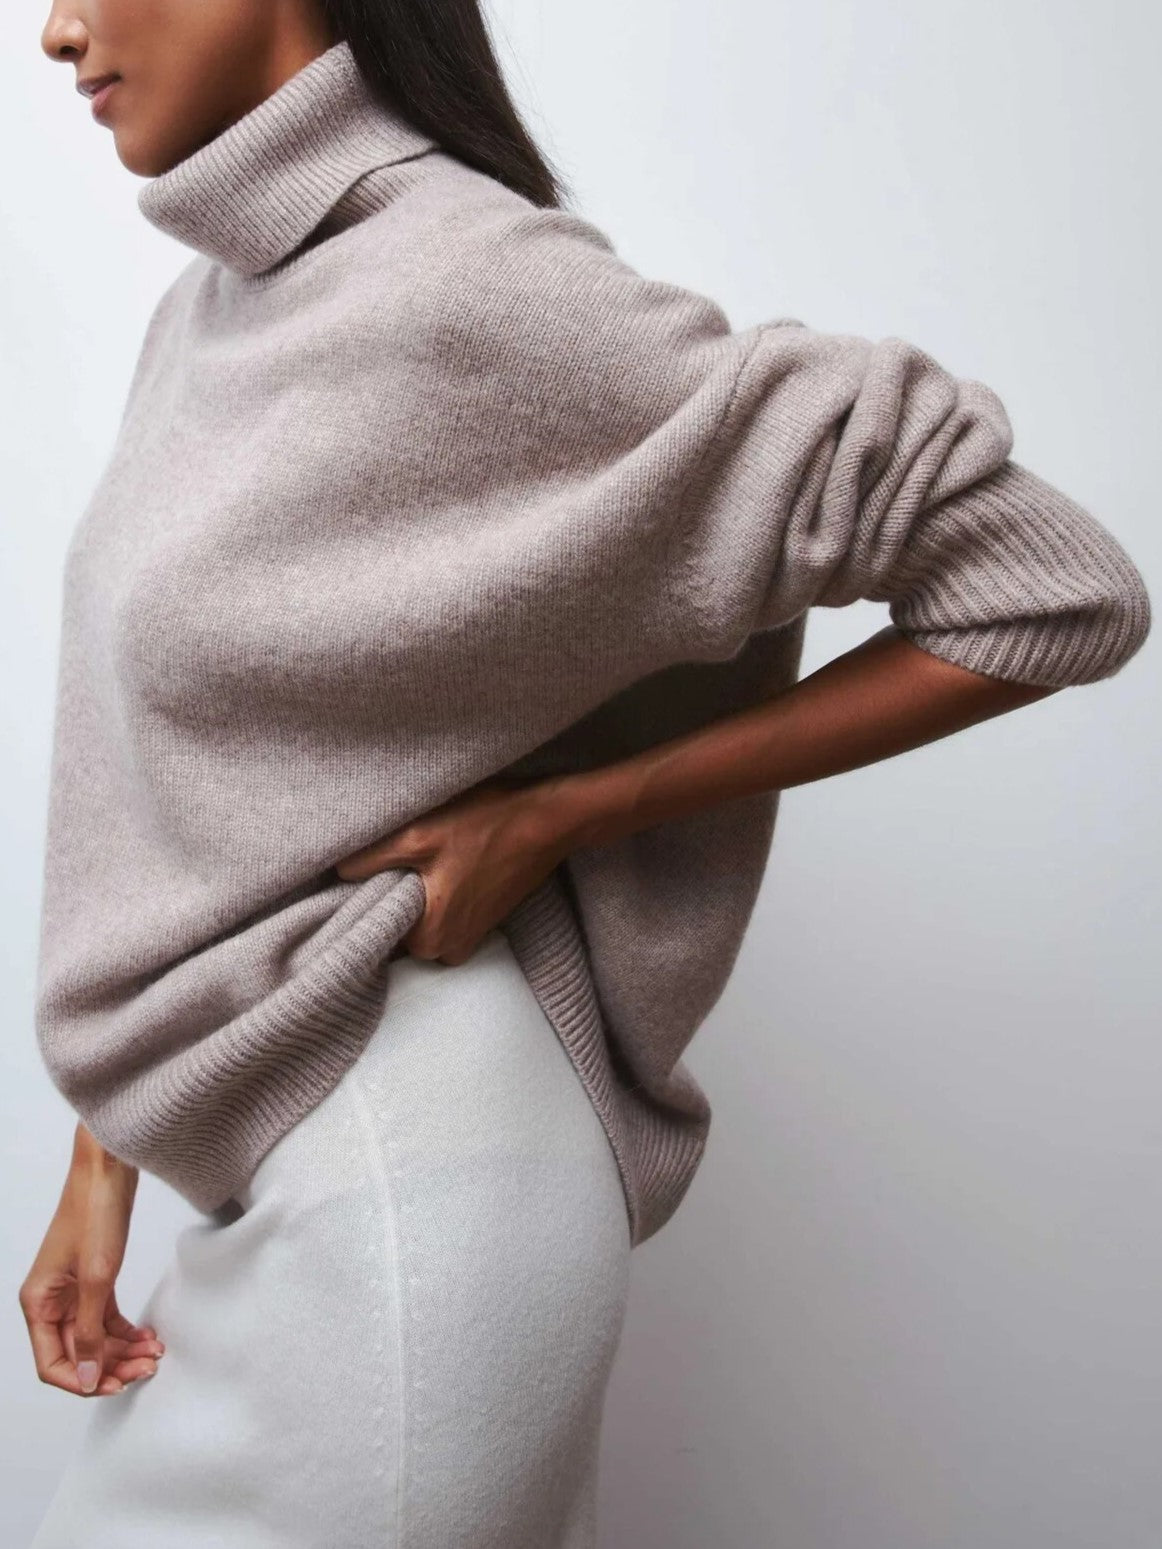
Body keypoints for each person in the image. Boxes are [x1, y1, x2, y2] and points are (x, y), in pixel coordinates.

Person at [23, 2, 1151, 1546]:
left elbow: (1051, 589)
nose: (57, 29)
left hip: (412, 1187)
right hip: (296, 1171)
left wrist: (571, 810)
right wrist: (108, 1150)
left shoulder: (468, 281)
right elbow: (205, 786)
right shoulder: (209, 310)